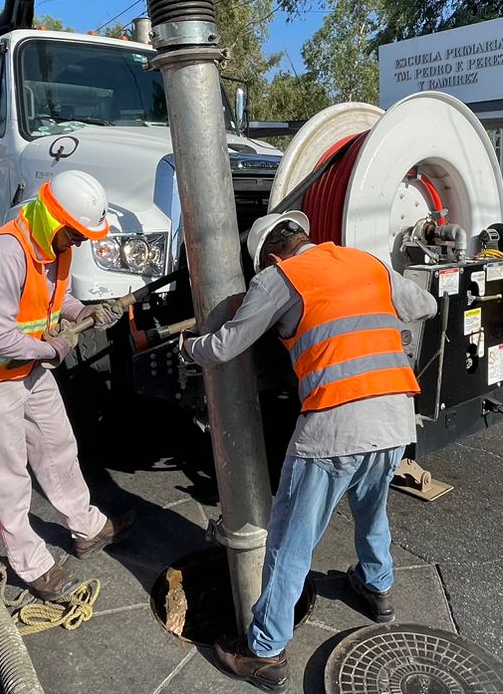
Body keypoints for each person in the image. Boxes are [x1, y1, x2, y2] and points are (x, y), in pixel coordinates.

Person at [181, 210, 438, 691]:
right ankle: (377, 588)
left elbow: (227, 345)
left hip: (336, 423)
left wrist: (187, 348)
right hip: (396, 415)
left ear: (269, 255)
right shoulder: (366, 262)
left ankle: (264, 650)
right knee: (370, 506)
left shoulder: (281, 277)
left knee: (289, 541)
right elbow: (423, 305)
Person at [0, 169, 134, 601]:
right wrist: (50, 351)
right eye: (78, 234)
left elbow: (54, 298)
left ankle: (86, 527)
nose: (84, 241)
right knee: (9, 473)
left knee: (58, 446)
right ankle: (31, 564)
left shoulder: (55, 247)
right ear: (55, 221)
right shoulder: (6, 253)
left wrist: (80, 312)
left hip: (27, 368)